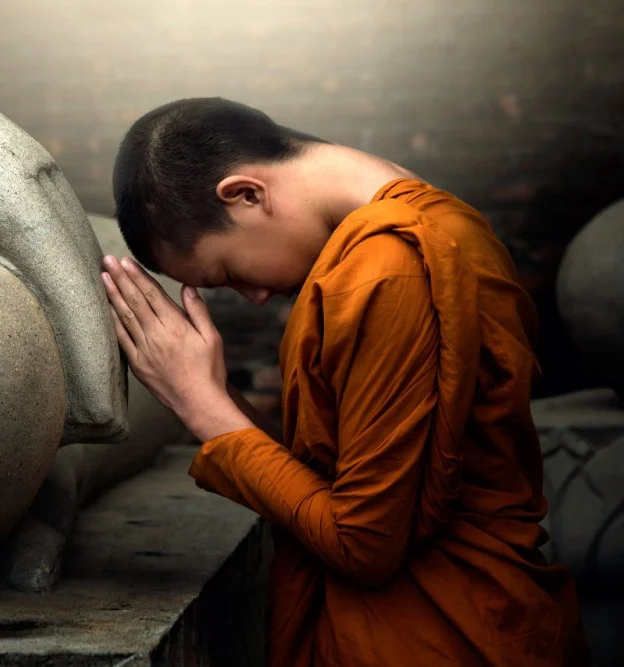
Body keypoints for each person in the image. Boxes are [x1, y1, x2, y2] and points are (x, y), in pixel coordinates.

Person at [99, 97, 588, 666]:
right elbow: (336, 477)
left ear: (246, 194)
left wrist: (206, 409)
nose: (253, 296)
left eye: (228, 273)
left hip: (435, 637)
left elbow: (363, 543)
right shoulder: (432, 224)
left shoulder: (389, 269)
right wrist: (211, 393)